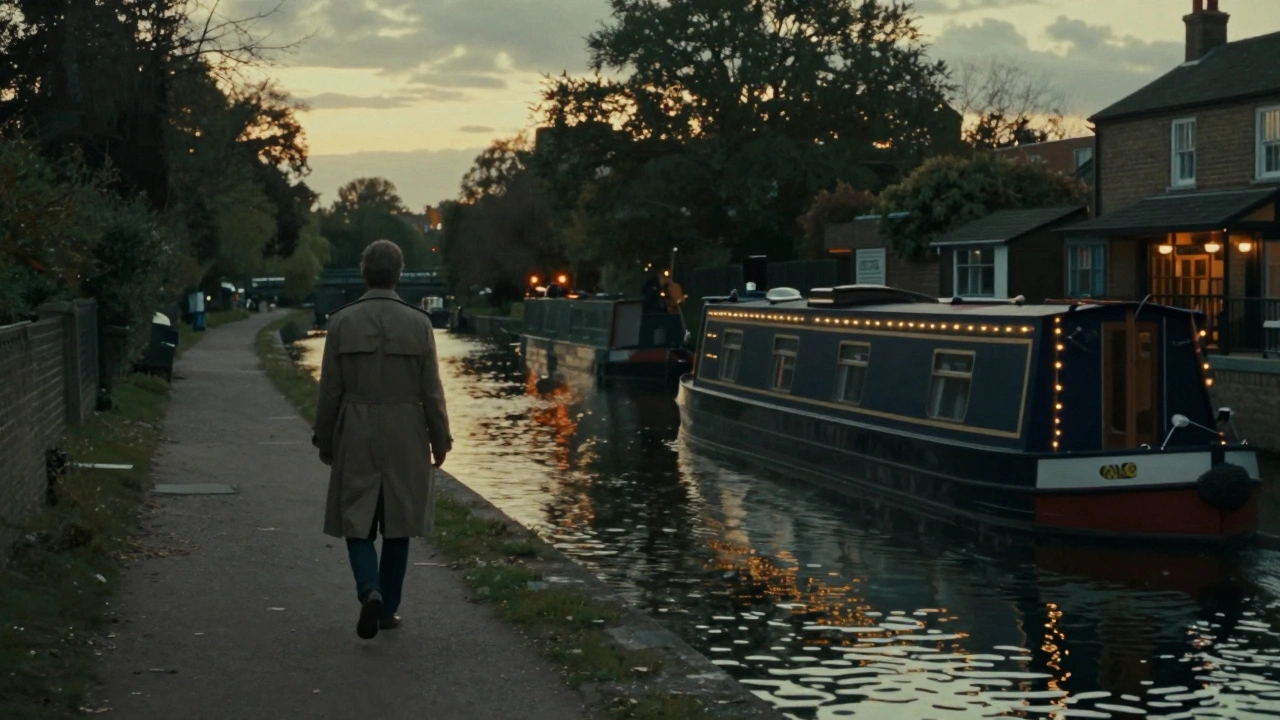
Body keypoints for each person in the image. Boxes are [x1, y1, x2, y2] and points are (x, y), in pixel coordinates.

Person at [312, 239, 452, 640]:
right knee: (399, 521)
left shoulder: (341, 322)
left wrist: (324, 437)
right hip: (406, 427)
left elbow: (330, 391)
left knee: (356, 519)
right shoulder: (419, 323)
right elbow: (431, 391)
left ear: (363, 272)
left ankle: (368, 589)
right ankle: (388, 608)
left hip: (356, 426)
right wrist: (440, 438)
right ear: (400, 273)